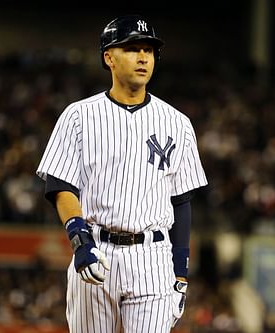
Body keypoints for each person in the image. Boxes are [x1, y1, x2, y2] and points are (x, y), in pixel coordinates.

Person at [36, 14, 207, 333]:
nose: (143, 57)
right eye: (132, 48)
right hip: (96, 250)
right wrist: (78, 239)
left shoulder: (178, 123)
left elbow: (181, 201)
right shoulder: (79, 117)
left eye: (149, 50)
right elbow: (61, 187)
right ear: (109, 57)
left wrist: (180, 272)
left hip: (152, 258)